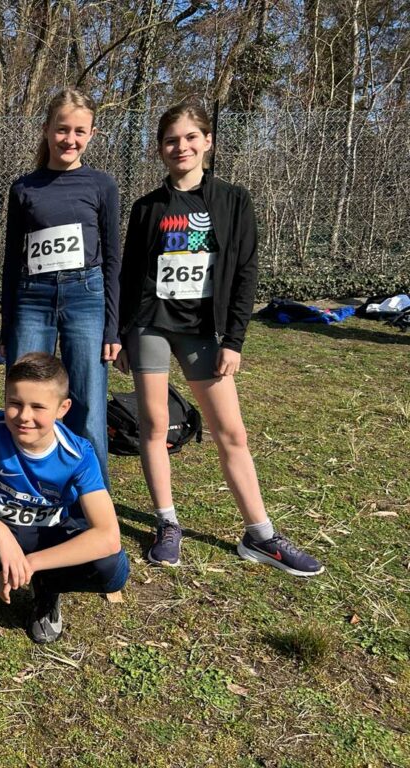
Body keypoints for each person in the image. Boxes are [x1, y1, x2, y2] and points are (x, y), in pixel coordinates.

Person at [115, 98, 323, 577]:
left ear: (207, 142)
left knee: (232, 432)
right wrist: (123, 332)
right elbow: (130, 273)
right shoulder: (147, 207)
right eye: (171, 140)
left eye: (191, 137)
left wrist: (234, 339)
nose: (181, 147)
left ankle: (261, 534)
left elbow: (246, 271)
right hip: (149, 326)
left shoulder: (233, 200)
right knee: (154, 427)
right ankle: (167, 523)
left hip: (204, 331)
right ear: (160, 149)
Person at [0, 352, 129, 696]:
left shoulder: (79, 453)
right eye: (14, 403)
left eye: (38, 407)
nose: (23, 416)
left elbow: (108, 536)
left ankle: (46, 589)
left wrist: (30, 564)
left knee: (113, 568)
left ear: (62, 409)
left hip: (45, 543)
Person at [1, 89, 122, 488]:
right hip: (32, 298)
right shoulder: (24, 188)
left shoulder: (102, 185)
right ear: (46, 129)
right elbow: (12, 259)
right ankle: (22, 488)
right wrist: (8, 325)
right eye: (62, 129)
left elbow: (113, 259)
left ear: (92, 134)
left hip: (86, 296)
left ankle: (92, 501)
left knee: (87, 402)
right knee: (25, 398)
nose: (70, 139)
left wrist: (112, 328)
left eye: (79, 131)